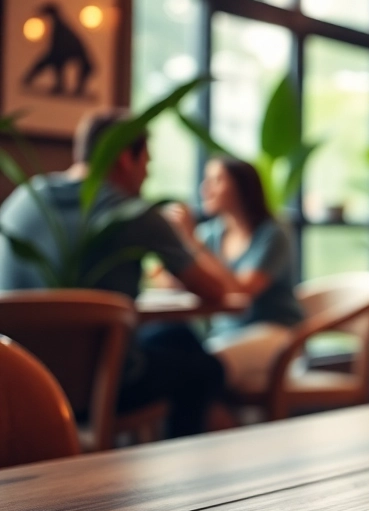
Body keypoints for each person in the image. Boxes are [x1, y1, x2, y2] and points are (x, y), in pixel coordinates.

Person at [0, 109, 235, 437]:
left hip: (17, 383)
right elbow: (217, 292)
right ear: (126, 157)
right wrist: (188, 236)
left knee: (178, 337)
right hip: (99, 390)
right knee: (206, 370)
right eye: (146, 165)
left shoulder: (21, 201)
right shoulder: (132, 213)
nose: (146, 178)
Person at [163, 157, 304, 393]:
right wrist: (173, 244)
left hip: (276, 333)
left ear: (242, 187)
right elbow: (171, 285)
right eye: (205, 180)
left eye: (216, 180)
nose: (205, 188)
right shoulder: (211, 235)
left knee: (201, 369)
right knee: (177, 357)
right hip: (224, 335)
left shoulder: (273, 234)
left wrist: (193, 242)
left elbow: (241, 291)